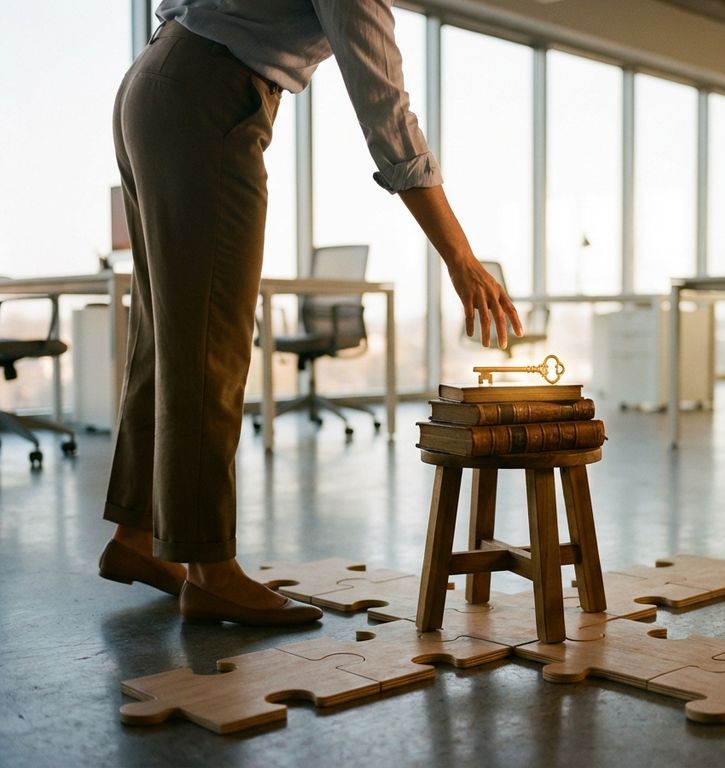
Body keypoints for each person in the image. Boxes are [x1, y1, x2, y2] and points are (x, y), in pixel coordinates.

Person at [96, 0, 523, 626]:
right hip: (208, 97)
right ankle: (209, 569)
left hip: (155, 81)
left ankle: (137, 537)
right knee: (209, 344)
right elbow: (386, 110)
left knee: (166, 335)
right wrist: (460, 256)